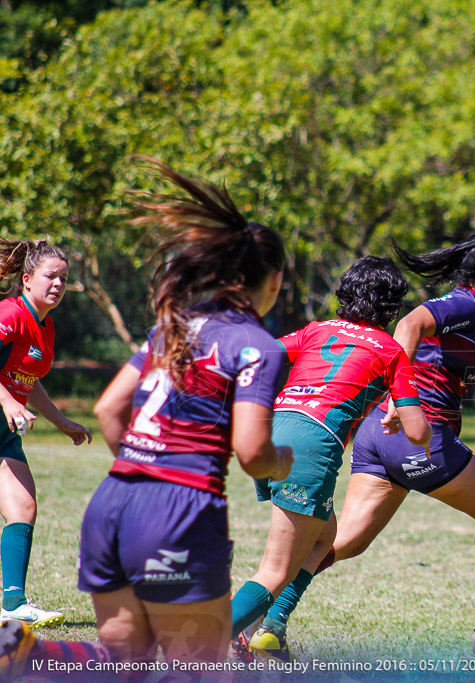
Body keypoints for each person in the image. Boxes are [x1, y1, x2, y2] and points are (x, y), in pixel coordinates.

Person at [0, 157, 294, 678]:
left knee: (125, 663)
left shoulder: (172, 329)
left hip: (113, 504)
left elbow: (110, 409)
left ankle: (30, 652)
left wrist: (142, 468)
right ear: (271, 281)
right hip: (181, 512)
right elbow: (253, 453)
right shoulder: (260, 346)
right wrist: (281, 461)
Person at [247, 231, 475, 660]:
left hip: (380, 436)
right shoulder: (462, 303)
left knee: (343, 542)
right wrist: (395, 391)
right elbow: (409, 324)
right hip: (414, 434)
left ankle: (268, 624)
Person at [230, 256, 432, 660]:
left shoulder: (315, 329)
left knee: (324, 537)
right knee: (275, 570)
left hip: (272, 427)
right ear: (391, 307)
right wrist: (416, 428)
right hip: (311, 443)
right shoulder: (392, 351)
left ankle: (271, 629)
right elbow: (416, 429)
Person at [0, 238, 93, 629]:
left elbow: (29, 379)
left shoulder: (45, 326)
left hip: (3, 430)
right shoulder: (10, 312)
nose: (58, 284)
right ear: (26, 279)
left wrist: (62, 422)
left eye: (64, 278)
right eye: (50, 276)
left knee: (23, 507)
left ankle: (14, 605)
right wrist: (7, 402)